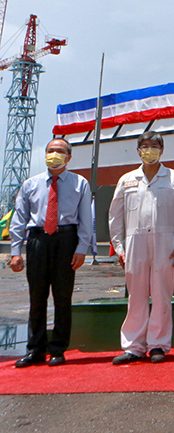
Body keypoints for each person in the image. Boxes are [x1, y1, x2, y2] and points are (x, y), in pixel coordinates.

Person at [8, 139, 94, 368]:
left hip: (66, 239)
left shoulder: (80, 184)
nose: (54, 154)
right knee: (37, 297)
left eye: (60, 151)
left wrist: (81, 249)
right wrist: (15, 251)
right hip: (37, 240)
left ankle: (57, 349)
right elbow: (19, 219)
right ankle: (35, 349)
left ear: (69, 157)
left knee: (62, 297)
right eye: (50, 150)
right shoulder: (30, 184)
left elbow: (86, 220)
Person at [108, 132, 174, 365]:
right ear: (138, 151)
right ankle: (133, 346)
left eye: (154, 146)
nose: (149, 150)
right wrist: (119, 247)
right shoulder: (127, 180)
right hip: (135, 243)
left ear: (162, 150)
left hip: (165, 243)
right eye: (145, 147)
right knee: (137, 295)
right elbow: (115, 217)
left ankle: (158, 345)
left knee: (162, 294)